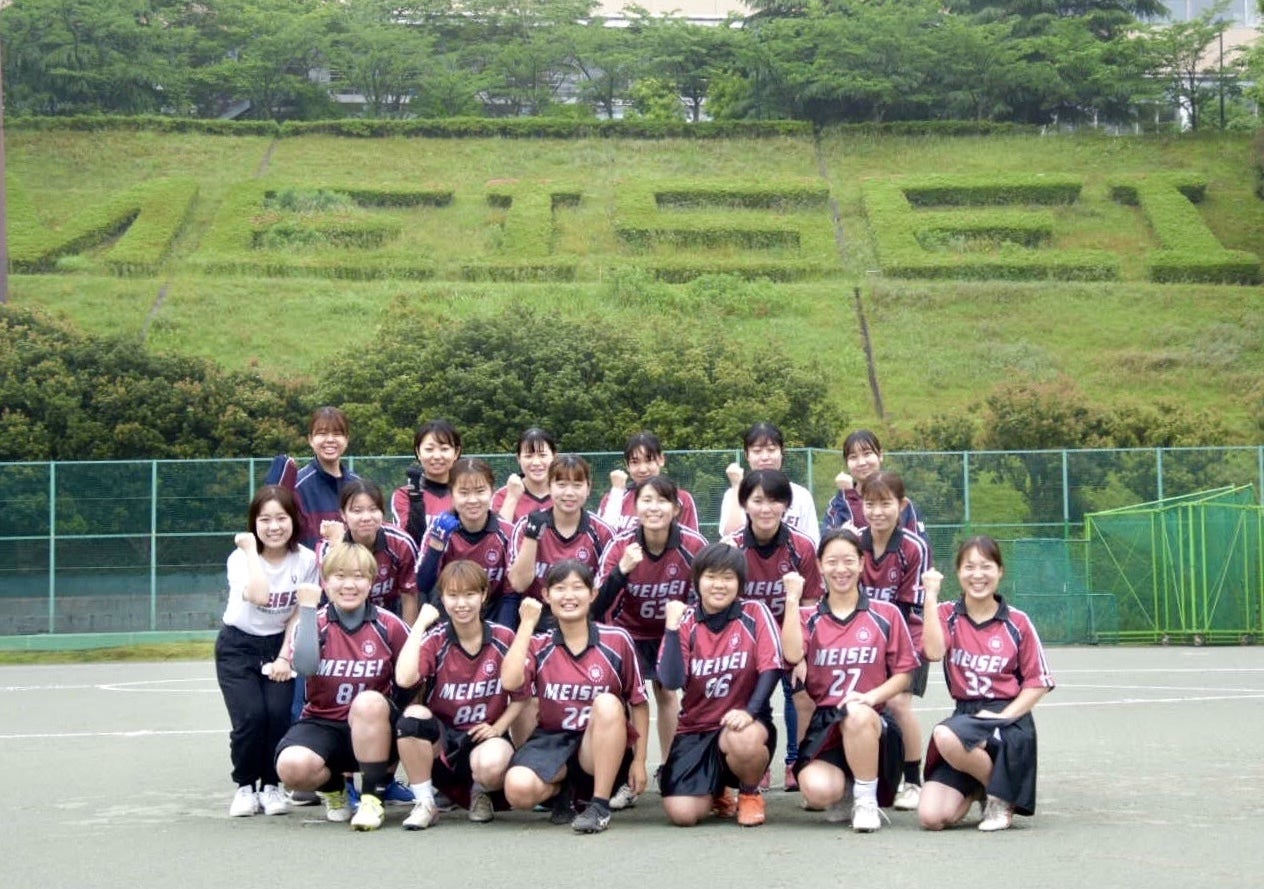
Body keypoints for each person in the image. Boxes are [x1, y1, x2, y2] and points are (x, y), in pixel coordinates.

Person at [781, 529, 920, 833]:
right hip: (826, 723)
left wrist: (871, 697)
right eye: (832, 562)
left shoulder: (886, 613)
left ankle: (866, 800)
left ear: (861, 563)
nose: (840, 569)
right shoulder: (807, 616)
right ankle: (846, 790)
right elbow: (791, 653)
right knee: (818, 792)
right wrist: (792, 599)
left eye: (848, 561)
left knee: (856, 713)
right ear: (819, 565)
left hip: (873, 722)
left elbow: (904, 675)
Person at [501, 561, 650, 834]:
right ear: (546, 595)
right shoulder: (539, 643)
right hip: (553, 740)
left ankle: (600, 806)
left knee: (607, 703)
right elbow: (510, 682)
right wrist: (526, 625)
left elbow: (639, 703)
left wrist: (639, 762)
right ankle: (561, 793)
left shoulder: (617, 640)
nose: (568, 596)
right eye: (560, 588)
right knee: (517, 790)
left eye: (577, 588)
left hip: (597, 748)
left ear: (593, 594)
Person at [918, 536, 1055, 832]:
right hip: (966, 716)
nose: (977, 575)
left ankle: (1001, 798)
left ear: (1000, 571)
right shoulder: (946, 614)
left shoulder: (1017, 622)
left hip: (1008, 721)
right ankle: (983, 784)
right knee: (932, 817)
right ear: (958, 572)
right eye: (969, 567)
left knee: (945, 735)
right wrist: (929, 596)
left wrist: (1001, 718)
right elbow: (934, 652)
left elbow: (1038, 683)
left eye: (986, 566)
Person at [274, 542, 412, 831]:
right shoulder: (314, 623)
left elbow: (412, 679)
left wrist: (403, 724)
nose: (349, 585)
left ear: (371, 582)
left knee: (368, 702)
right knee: (292, 766)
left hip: (375, 728)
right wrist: (308, 610)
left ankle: (372, 798)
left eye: (359, 576)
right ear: (325, 582)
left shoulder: (390, 625)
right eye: (339, 576)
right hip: (324, 723)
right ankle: (335, 789)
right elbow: (306, 667)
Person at [594, 475, 709, 808]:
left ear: (676, 508)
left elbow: (706, 597)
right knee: (627, 700)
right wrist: (622, 571)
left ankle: (670, 769)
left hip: (671, 631)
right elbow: (597, 606)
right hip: (627, 633)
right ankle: (626, 775)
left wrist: (684, 629)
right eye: (646, 500)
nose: (654, 508)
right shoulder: (620, 546)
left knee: (667, 692)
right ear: (635, 506)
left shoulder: (693, 545)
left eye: (662, 501)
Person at [657, 543, 783, 828]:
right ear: (697, 581)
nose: (719, 585)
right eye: (711, 577)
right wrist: (671, 628)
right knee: (683, 815)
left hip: (743, 724)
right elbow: (671, 680)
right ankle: (716, 790)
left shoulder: (755, 612)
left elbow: (772, 667)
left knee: (744, 738)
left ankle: (749, 794)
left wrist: (750, 711)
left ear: (739, 583)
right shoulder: (685, 620)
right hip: (695, 728)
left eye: (728, 578)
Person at [393, 561, 525, 829]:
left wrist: (498, 727)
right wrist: (419, 624)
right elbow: (405, 679)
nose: (461, 603)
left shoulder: (503, 637)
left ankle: (480, 793)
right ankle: (425, 803)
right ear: (442, 598)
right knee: (412, 717)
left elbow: (521, 696)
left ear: (484, 595)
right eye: (452, 595)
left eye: (469, 594)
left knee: (493, 763)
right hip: (442, 742)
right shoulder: (436, 639)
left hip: (483, 738)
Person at [216, 485, 318, 817]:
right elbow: (259, 595)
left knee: (277, 716)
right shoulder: (240, 559)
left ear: (293, 520)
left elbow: (298, 613)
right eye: (264, 520)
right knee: (250, 718)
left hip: (279, 643)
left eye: (281, 518)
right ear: (253, 523)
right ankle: (245, 786)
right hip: (238, 646)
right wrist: (249, 549)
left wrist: (285, 656)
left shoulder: (306, 559)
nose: (274, 527)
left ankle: (271, 786)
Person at [722, 468, 824, 791]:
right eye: (757, 500)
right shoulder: (732, 548)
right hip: (749, 641)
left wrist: (803, 653)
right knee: (751, 698)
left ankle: (799, 762)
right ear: (744, 504)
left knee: (802, 692)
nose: (766, 508)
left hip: (790, 635)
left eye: (774, 500)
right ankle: (759, 762)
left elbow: (810, 603)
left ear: (786, 505)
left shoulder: (802, 546)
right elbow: (724, 606)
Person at [853, 471, 933, 811]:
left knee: (898, 704)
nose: (877, 511)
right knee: (862, 705)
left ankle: (913, 781)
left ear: (901, 505)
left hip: (908, 637)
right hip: (866, 640)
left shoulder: (914, 547)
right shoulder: (854, 542)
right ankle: (867, 777)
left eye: (885, 503)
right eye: (870, 504)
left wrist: (883, 645)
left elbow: (906, 607)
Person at [415, 458, 517, 627]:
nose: (472, 500)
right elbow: (423, 585)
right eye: (463, 493)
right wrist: (436, 548)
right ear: (451, 494)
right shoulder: (439, 528)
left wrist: (502, 635)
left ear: (492, 491)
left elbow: (511, 594)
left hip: (492, 617)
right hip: (449, 617)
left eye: (480, 491)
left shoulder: (507, 533)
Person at [506, 454, 614, 609]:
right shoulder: (526, 526)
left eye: (577, 485)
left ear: (588, 488)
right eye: (561, 484)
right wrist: (532, 535)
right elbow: (518, 584)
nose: (569, 492)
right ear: (549, 487)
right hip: (537, 614)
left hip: (584, 615)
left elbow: (608, 591)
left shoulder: (602, 532)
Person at [318, 479, 420, 624]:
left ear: (382, 512)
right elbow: (333, 596)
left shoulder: (401, 543)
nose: (366, 518)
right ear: (343, 514)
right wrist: (337, 546)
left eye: (373, 509)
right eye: (357, 511)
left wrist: (408, 635)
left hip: (389, 618)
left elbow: (409, 595)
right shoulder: (329, 547)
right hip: (342, 620)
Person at [265, 406, 359, 550]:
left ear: (346, 439)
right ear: (310, 440)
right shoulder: (296, 486)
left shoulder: (359, 486)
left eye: (337, 434)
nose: (330, 439)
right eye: (322, 433)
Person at [718, 422, 819, 546]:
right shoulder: (733, 494)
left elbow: (812, 544)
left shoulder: (801, 495)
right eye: (757, 451)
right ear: (747, 455)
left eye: (771, 450)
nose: (765, 457)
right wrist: (737, 486)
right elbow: (730, 540)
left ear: (782, 452)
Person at [821, 429, 928, 545]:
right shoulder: (838, 503)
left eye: (867, 454)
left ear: (880, 455)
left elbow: (920, 546)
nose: (861, 462)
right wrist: (848, 494)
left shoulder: (902, 503)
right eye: (853, 457)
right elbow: (826, 544)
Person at [597, 432, 700, 533]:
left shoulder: (681, 499)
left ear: (661, 460)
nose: (643, 469)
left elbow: (691, 541)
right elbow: (603, 538)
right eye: (635, 462)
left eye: (649, 460)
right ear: (627, 465)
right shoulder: (612, 499)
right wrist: (616, 494)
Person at [392, 419, 462, 547]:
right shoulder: (404, 494)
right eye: (429, 449)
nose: (437, 456)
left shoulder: (467, 493)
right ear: (418, 452)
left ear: (456, 452)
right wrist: (416, 499)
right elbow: (407, 543)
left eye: (444, 449)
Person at [492, 427, 556, 523]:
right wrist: (512, 498)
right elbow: (498, 531)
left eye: (542, 455)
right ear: (518, 458)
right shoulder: (503, 495)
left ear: (554, 456)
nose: (536, 462)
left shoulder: (565, 492)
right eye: (528, 456)